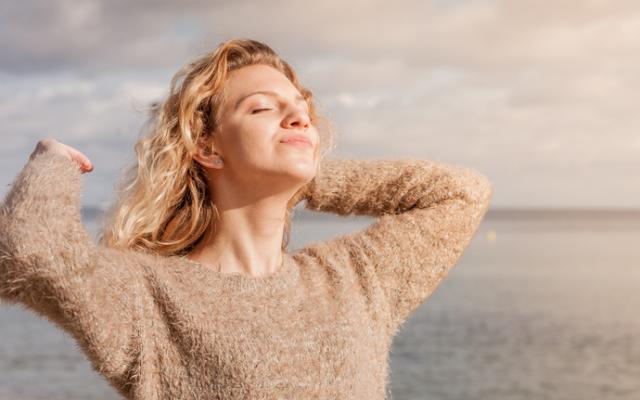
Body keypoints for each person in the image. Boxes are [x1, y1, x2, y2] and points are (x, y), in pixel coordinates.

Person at [0, 38, 493, 399]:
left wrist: (309, 177)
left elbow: (460, 194)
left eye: (302, 111)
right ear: (207, 148)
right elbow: (27, 256)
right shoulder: (148, 297)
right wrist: (53, 162)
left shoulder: (356, 280)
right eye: (263, 109)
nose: (299, 118)